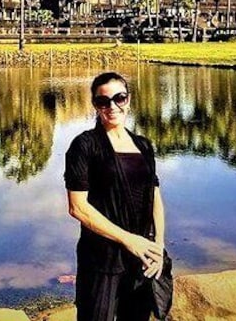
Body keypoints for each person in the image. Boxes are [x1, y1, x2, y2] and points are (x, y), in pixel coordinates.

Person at [65, 71, 166, 321]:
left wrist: (159, 247)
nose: (112, 106)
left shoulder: (143, 145)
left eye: (119, 98)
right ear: (95, 105)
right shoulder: (85, 146)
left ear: (128, 100)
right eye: (103, 101)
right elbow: (78, 208)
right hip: (101, 259)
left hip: (141, 257)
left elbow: (154, 198)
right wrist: (128, 240)